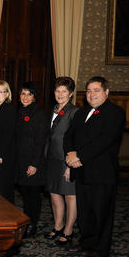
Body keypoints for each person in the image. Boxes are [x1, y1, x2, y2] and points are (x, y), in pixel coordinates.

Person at [64, 76, 125, 257]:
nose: (91, 94)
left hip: (102, 172)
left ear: (106, 92)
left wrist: (78, 156)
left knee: (102, 212)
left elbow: (104, 141)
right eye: (89, 91)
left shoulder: (116, 112)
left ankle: (101, 248)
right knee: (85, 210)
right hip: (81, 170)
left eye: (96, 90)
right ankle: (87, 242)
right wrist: (70, 153)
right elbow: (69, 135)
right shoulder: (82, 112)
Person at [44, 77, 78, 245]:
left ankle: (69, 230)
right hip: (52, 160)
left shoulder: (74, 112)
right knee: (54, 194)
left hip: (66, 161)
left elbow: (76, 140)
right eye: (57, 90)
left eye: (64, 91)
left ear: (71, 94)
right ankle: (58, 226)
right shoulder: (54, 109)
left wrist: (70, 165)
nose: (60, 94)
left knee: (70, 196)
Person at [15, 81, 48, 238]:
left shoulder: (39, 114)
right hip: (21, 161)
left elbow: (40, 141)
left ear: (34, 97)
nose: (25, 97)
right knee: (26, 194)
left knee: (33, 195)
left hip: (33, 162)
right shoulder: (20, 111)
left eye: (29, 94)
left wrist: (34, 164)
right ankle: (27, 222)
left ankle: (32, 224)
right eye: (23, 93)